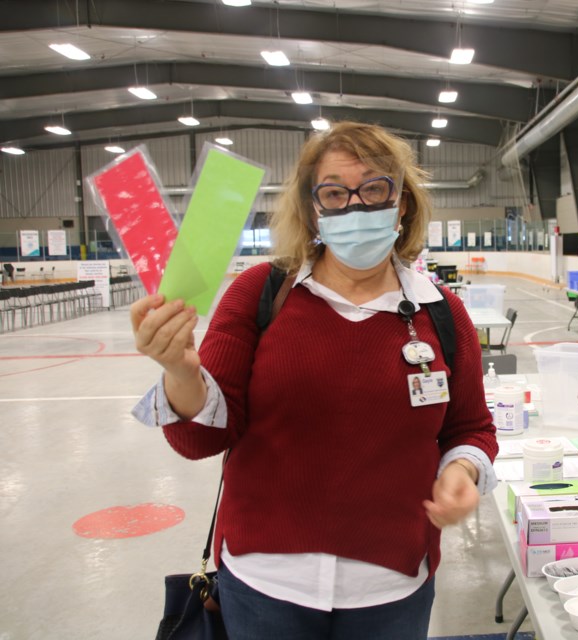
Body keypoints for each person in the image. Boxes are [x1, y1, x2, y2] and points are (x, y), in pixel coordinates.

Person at [129, 121, 498, 640]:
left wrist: (464, 469)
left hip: (390, 588)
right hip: (265, 588)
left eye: (374, 188)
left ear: (403, 203)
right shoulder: (260, 294)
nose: (356, 207)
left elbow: (472, 428)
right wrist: (180, 371)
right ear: (313, 209)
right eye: (334, 193)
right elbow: (200, 439)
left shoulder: (443, 314)